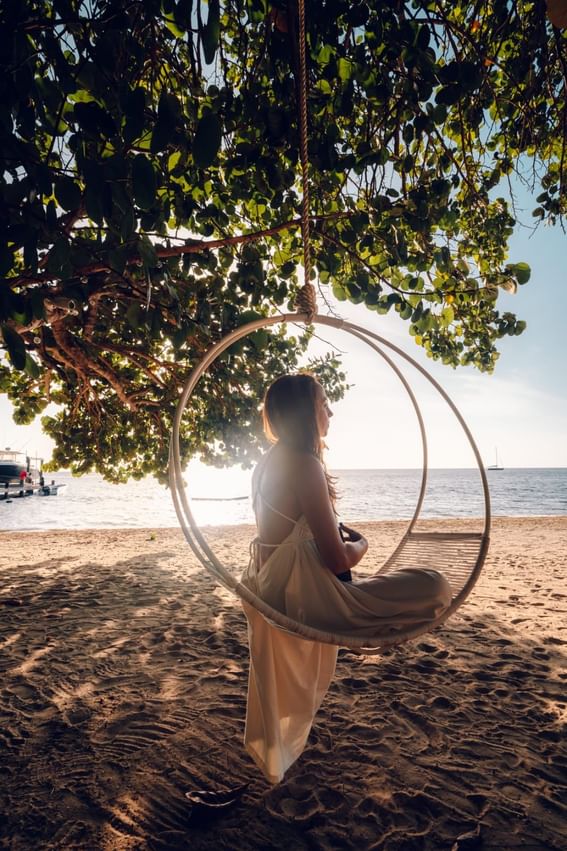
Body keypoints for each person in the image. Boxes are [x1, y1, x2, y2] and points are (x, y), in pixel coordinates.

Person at [241, 373, 452, 784]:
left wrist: (335, 538)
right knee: (435, 585)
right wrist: (363, 544)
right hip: (307, 597)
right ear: (305, 412)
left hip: (273, 586)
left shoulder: (266, 462)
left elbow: (294, 534)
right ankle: (365, 622)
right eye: (323, 403)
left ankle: (366, 614)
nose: (330, 411)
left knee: (408, 585)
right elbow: (338, 561)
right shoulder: (305, 465)